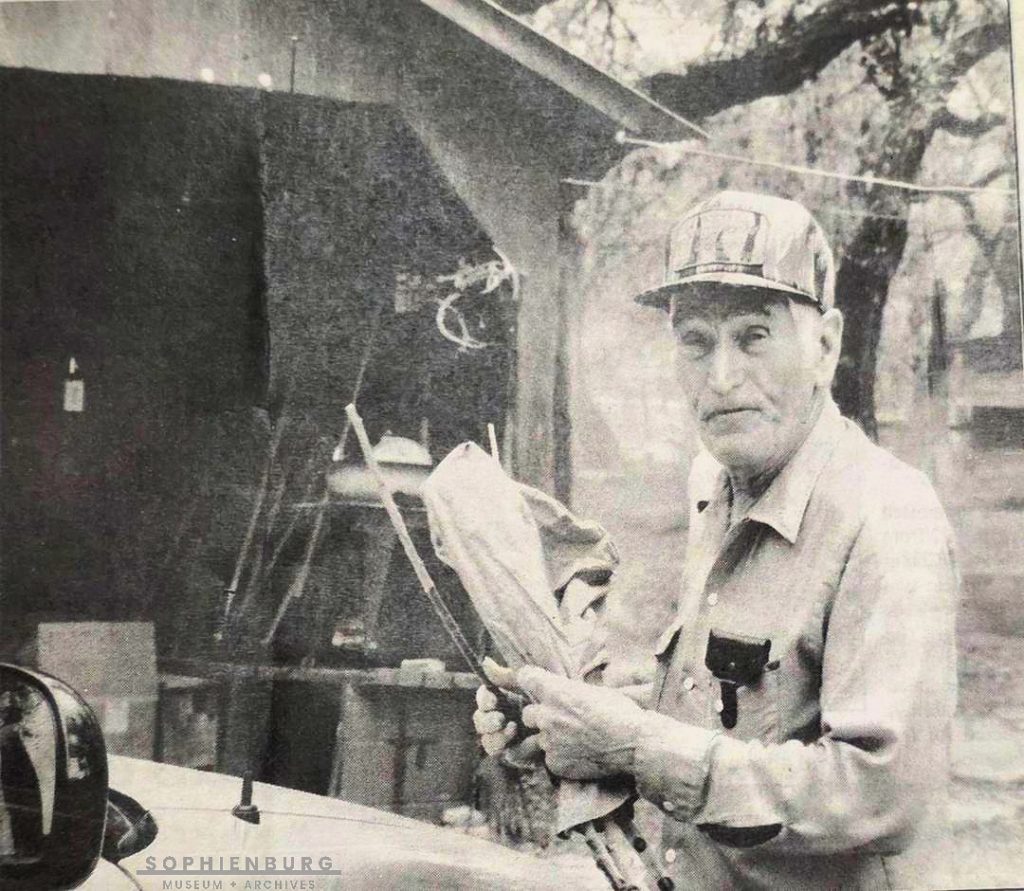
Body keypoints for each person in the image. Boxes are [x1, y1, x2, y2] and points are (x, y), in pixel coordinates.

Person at [473, 191, 958, 890]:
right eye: (695, 341)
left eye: (753, 335)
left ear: (824, 345)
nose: (721, 377)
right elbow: (723, 718)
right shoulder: (718, 484)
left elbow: (879, 793)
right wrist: (570, 725)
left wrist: (635, 746)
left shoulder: (888, 517)